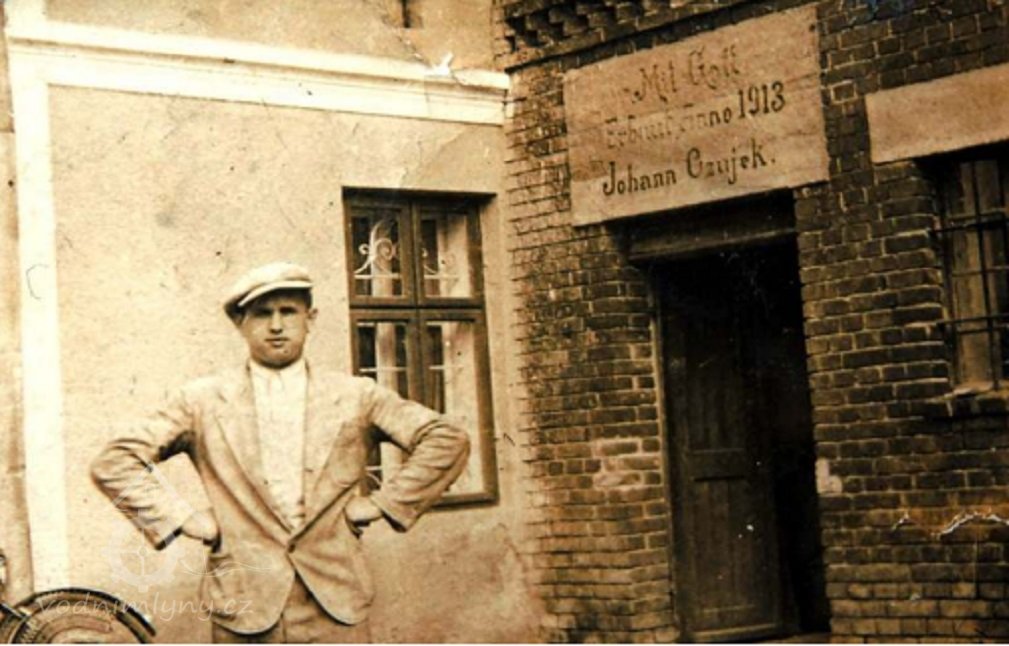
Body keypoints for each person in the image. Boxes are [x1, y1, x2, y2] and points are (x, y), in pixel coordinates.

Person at [91, 261, 470, 643]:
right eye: (262, 314)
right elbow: (114, 460)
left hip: (336, 602)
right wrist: (182, 518)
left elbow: (446, 439)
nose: (276, 325)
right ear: (240, 324)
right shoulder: (201, 401)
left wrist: (382, 504)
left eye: (288, 312)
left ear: (310, 318)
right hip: (244, 607)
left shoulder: (356, 395)